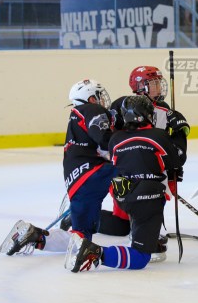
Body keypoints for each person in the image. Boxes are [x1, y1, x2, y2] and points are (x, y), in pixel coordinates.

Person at [0, 79, 115, 258]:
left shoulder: (77, 115)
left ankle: (36, 236)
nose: (102, 100)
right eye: (98, 96)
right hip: (93, 173)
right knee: (135, 169)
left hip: (76, 182)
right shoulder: (93, 109)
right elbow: (104, 140)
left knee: (80, 238)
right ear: (91, 98)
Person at [64, 95, 181, 272]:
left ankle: (142, 235)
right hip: (149, 196)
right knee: (140, 257)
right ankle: (96, 252)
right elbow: (177, 159)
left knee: (122, 225)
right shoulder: (158, 135)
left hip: (125, 197)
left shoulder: (115, 139)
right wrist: (179, 132)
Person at [98, 65, 190, 237]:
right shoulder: (123, 105)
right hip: (126, 171)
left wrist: (173, 168)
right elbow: (107, 139)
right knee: (120, 226)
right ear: (140, 86)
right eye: (153, 83)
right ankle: (79, 217)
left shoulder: (165, 110)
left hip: (152, 171)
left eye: (159, 83)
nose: (158, 87)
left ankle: (147, 229)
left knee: (148, 213)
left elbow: (168, 148)